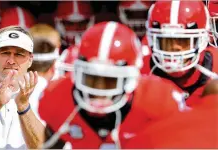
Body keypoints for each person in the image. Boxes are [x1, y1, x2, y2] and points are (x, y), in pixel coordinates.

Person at [37, 21, 187, 149]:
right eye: (92, 79)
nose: (99, 90)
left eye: (109, 81)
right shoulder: (57, 98)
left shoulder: (159, 101)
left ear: (129, 80)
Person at [141, 1, 218, 106]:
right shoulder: (141, 71)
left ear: (201, 40)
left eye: (182, 41)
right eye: (167, 41)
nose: (175, 48)